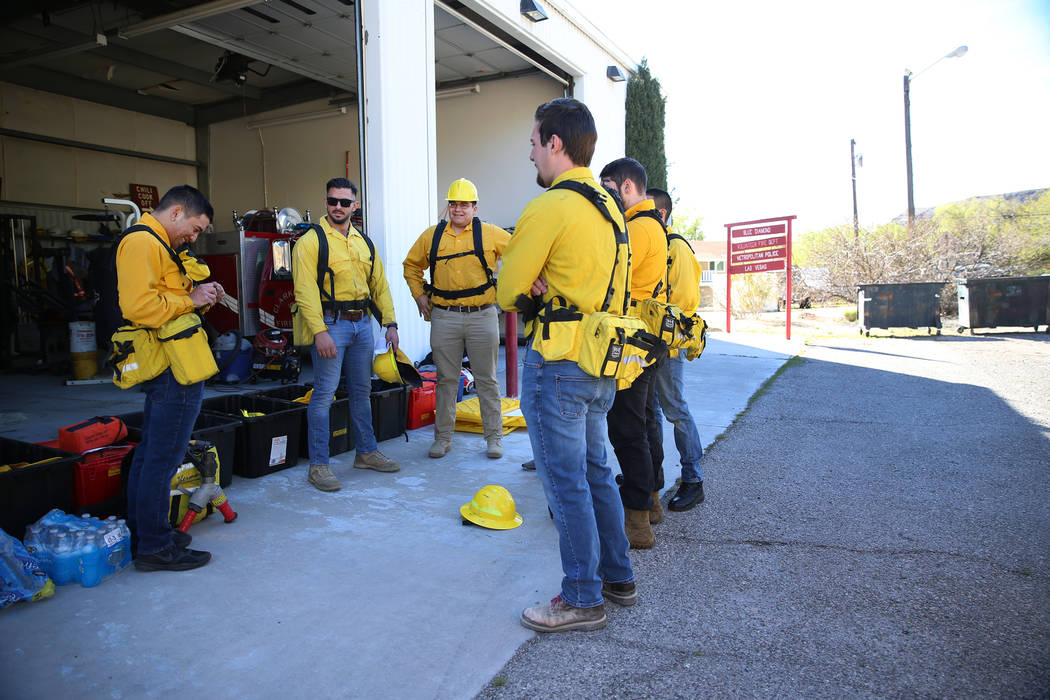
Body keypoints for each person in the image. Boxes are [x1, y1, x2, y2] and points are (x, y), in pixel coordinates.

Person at [498, 98, 636, 633]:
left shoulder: (551, 206)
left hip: (556, 364)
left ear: (555, 143)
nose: (530, 152)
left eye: (534, 142)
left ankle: (582, 597)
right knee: (596, 471)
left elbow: (511, 289)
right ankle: (617, 576)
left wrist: (533, 287)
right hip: (600, 364)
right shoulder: (611, 208)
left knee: (564, 482)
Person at [117, 185, 220, 572]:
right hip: (169, 366)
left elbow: (165, 296)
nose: (194, 238)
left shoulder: (162, 247)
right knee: (163, 457)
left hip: (178, 360)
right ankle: (155, 547)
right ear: (176, 212)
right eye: (194, 229)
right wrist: (190, 300)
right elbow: (139, 306)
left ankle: (145, 531)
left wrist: (199, 292)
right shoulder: (143, 242)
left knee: (153, 455)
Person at [293, 177, 400, 492]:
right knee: (324, 395)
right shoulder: (311, 241)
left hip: (362, 324)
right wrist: (319, 331)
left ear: (356, 205)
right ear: (325, 203)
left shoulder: (364, 242)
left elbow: (379, 285)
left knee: (362, 392)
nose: (337, 207)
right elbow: (304, 290)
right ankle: (319, 466)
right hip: (331, 325)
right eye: (332, 201)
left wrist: (390, 324)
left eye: (344, 202)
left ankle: (366, 452)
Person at [403, 179, 510, 460]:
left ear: (475, 207)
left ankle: (494, 439)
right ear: (447, 206)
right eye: (453, 204)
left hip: (482, 315)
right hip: (445, 317)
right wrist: (419, 296)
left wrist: (515, 291)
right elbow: (411, 266)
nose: (458, 209)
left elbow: (522, 254)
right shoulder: (432, 236)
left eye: (464, 204)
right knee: (447, 380)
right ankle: (443, 439)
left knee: (486, 380)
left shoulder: (490, 234)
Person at [599, 158, 669, 550]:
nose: (605, 195)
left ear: (626, 188)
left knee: (627, 429)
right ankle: (652, 502)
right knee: (642, 422)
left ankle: (638, 521)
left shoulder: (636, 229)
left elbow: (613, 280)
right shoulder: (653, 225)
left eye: (608, 187)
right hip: (649, 335)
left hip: (634, 339)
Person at [647, 187, 706, 511]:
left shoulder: (676, 248)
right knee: (651, 414)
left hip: (667, 346)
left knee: (675, 410)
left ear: (661, 214)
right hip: (645, 343)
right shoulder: (650, 245)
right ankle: (651, 478)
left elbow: (683, 303)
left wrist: (663, 339)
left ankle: (693, 480)